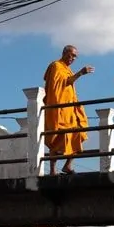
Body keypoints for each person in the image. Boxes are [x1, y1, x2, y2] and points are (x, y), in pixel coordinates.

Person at [42, 44, 93, 175]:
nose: (73, 58)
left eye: (75, 56)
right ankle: (53, 170)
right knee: (57, 137)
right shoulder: (56, 66)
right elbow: (62, 83)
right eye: (71, 55)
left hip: (70, 109)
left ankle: (67, 166)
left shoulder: (67, 69)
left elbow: (68, 85)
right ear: (64, 53)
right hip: (58, 108)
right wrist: (80, 73)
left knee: (79, 132)